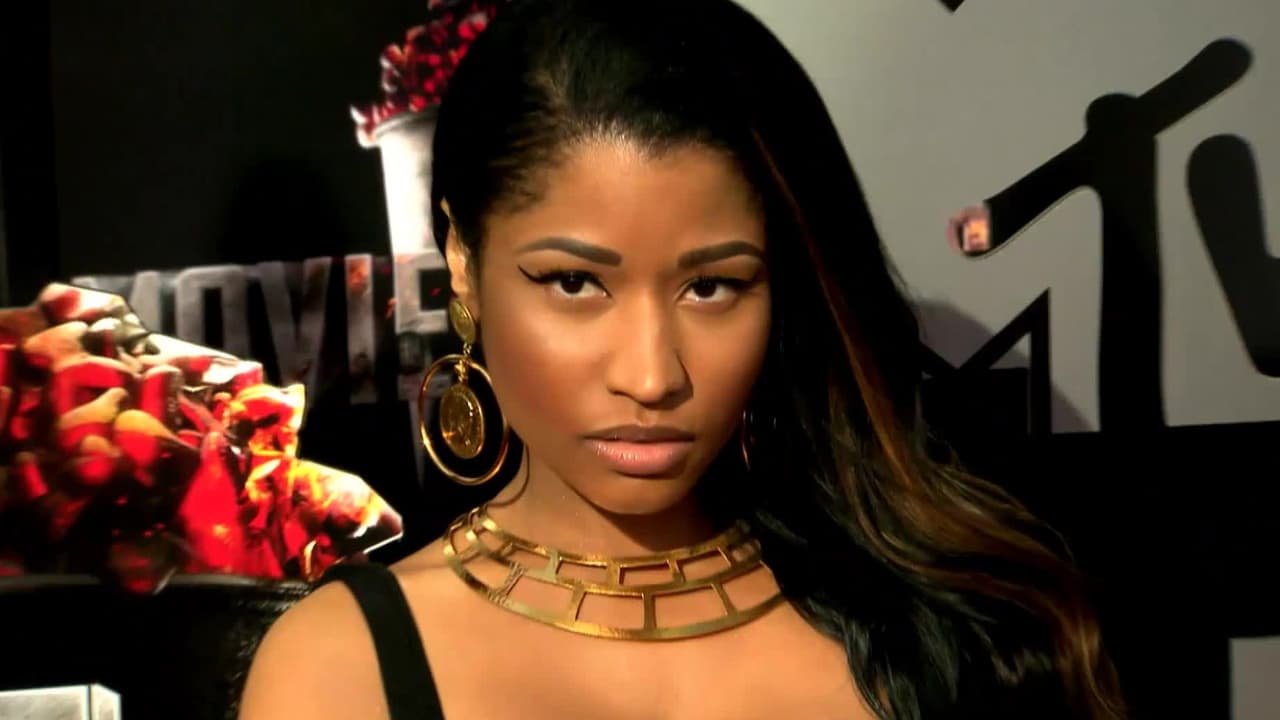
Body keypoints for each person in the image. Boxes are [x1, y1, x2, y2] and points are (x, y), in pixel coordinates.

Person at [239, 1, 1125, 718]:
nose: (653, 376)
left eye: (712, 288)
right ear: (464, 263)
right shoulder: (344, 670)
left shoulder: (958, 637)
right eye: (575, 283)